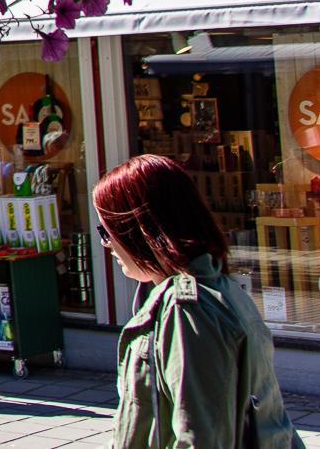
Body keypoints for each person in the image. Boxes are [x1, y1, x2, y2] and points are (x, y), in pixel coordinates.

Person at [96, 155, 303, 449]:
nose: (106, 244)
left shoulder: (187, 309)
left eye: (107, 231)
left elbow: (201, 437)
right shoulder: (212, 286)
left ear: (140, 228)